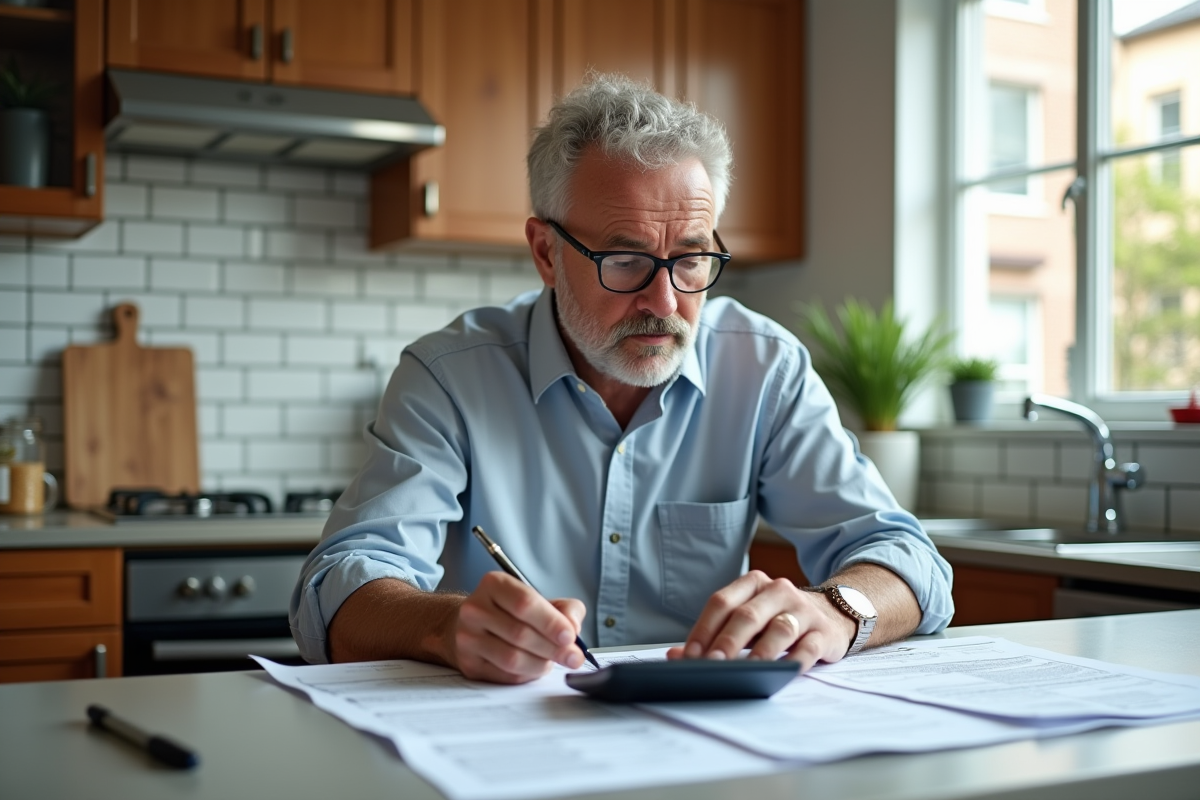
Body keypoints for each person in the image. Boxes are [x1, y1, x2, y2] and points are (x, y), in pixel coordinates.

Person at [290, 74, 954, 684]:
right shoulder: (448, 377)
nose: (665, 302)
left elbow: (909, 560)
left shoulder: (764, 369)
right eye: (626, 259)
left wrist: (838, 609)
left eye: (691, 259)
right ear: (547, 253)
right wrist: (441, 627)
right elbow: (337, 592)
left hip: (703, 737)